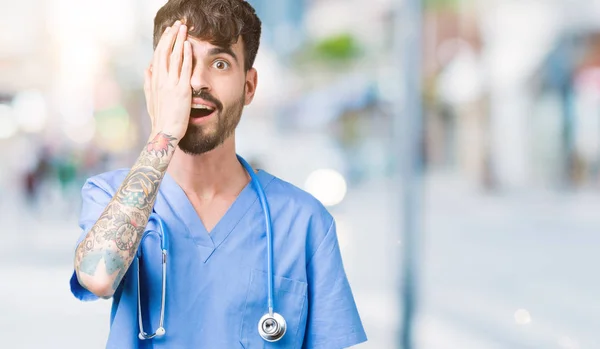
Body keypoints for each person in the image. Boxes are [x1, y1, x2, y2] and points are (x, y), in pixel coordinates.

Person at [69, 0, 367, 348]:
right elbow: (98, 277)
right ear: (154, 82)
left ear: (249, 86)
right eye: (181, 63)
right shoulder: (109, 195)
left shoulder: (304, 223)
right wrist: (164, 132)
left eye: (220, 63)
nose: (196, 81)